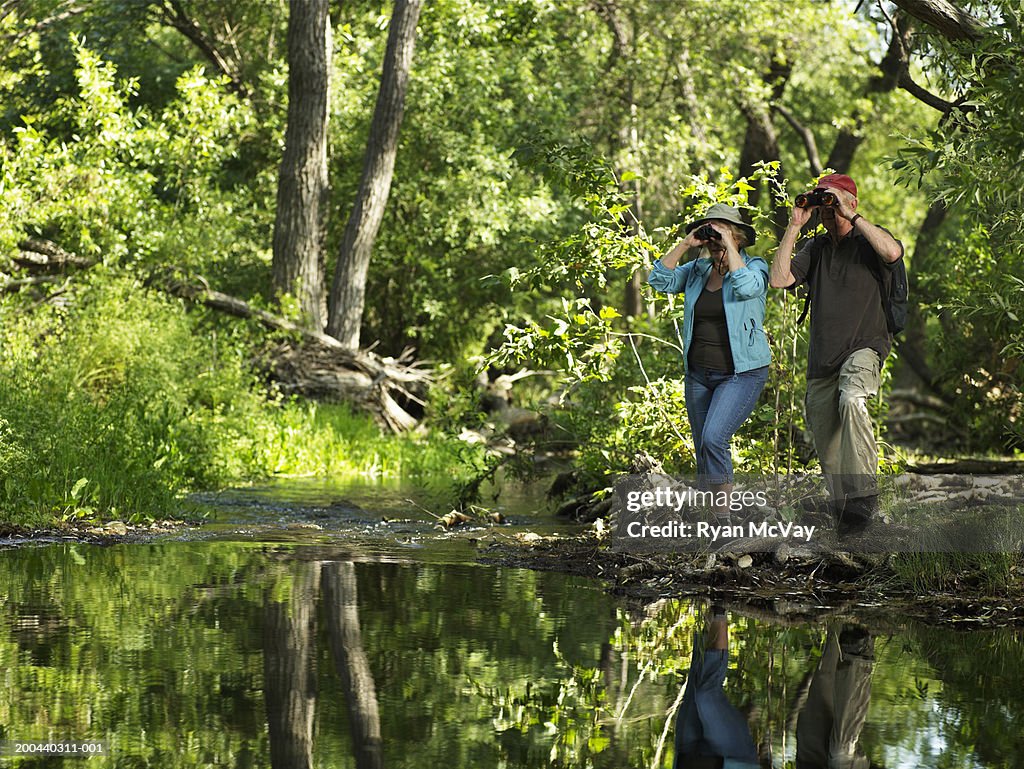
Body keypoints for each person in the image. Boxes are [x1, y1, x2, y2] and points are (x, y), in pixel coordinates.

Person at [768, 174, 904, 533]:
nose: (829, 211)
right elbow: (779, 280)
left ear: (853, 203)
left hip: (863, 348)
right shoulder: (816, 249)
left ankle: (862, 498)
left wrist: (852, 214)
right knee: (825, 438)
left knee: (852, 400)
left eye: (835, 202)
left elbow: (892, 252)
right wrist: (796, 224)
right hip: (822, 360)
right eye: (823, 204)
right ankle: (847, 517)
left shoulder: (870, 241)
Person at [648, 204, 771, 525]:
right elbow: (658, 280)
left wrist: (729, 245)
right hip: (699, 375)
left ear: (739, 235)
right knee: (703, 447)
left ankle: (722, 521)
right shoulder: (697, 271)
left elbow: (746, 288)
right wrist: (687, 244)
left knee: (715, 438)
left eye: (721, 230)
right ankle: (710, 520)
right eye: (710, 231)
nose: (714, 236)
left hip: (741, 373)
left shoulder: (755, 267)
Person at [672, 605, 761, 769]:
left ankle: (708, 607)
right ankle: (720, 607)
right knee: (705, 696)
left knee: (696, 677)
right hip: (732, 758)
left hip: (687, 755)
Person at [795, 625, 875, 769]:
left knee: (825, 677)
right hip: (841, 760)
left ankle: (839, 622)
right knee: (840, 751)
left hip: (810, 759)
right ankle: (858, 650)